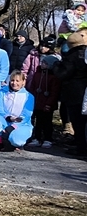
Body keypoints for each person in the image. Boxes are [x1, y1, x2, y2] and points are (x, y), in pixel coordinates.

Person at [53, 28, 87, 157]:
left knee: (77, 121)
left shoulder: (71, 56)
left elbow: (63, 74)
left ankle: (80, 148)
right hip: (85, 91)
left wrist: (56, 65)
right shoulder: (85, 54)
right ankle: (81, 143)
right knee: (84, 122)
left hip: (74, 91)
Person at [0, 70, 34, 152]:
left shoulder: (29, 96)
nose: (14, 83)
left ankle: (14, 143)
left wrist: (13, 126)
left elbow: (26, 115)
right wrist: (8, 118)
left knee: (16, 140)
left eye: (17, 81)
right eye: (12, 80)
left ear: (23, 82)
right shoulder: (3, 92)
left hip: (21, 124)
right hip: (5, 120)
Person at [25, 39, 60, 148]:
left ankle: (48, 138)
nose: (42, 64)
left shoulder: (53, 78)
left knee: (47, 122)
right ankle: (36, 137)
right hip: (38, 102)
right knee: (38, 121)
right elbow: (34, 87)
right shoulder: (37, 74)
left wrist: (49, 104)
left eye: (45, 63)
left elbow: (54, 92)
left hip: (47, 103)